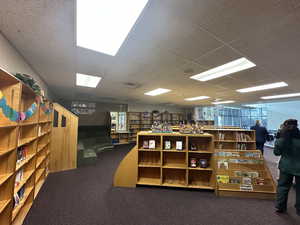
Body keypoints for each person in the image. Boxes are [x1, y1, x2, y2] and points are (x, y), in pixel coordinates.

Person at [274, 119, 300, 216]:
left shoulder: (281, 140)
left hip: (285, 166)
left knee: (283, 187)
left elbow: (276, 153)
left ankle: (280, 207)